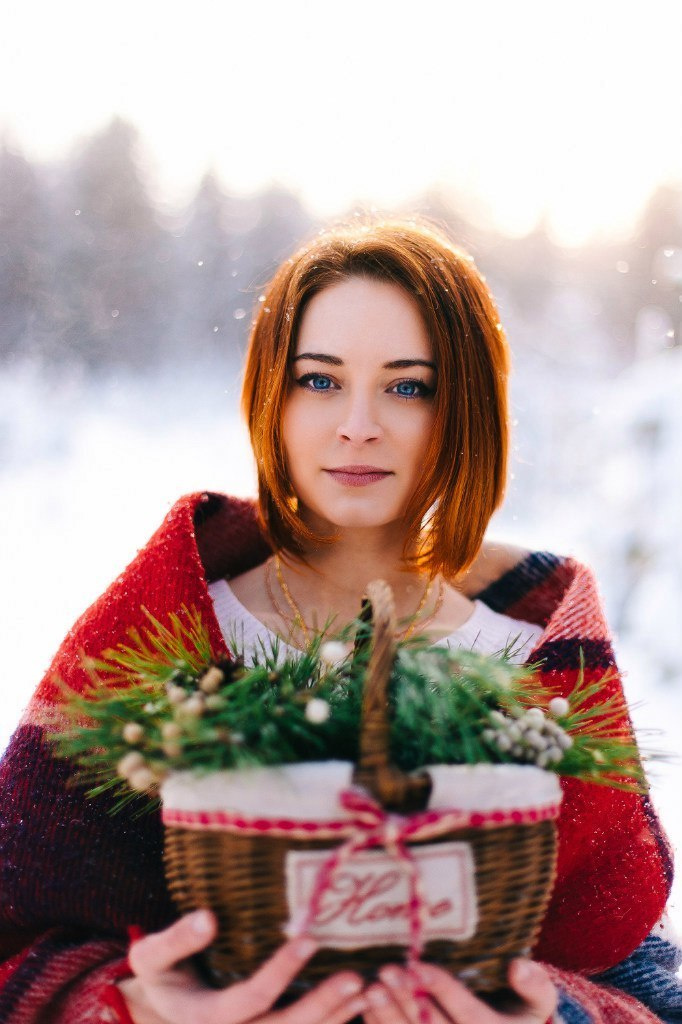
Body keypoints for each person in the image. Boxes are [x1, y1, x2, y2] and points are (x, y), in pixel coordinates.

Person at [0, 217, 679, 1024]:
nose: (358, 423)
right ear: (271, 396)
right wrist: (134, 1008)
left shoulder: (537, 660)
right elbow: (18, 942)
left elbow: (635, 982)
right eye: (319, 380)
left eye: (407, 386)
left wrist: (550, 1016)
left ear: (463, 408)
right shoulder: (170, 633)